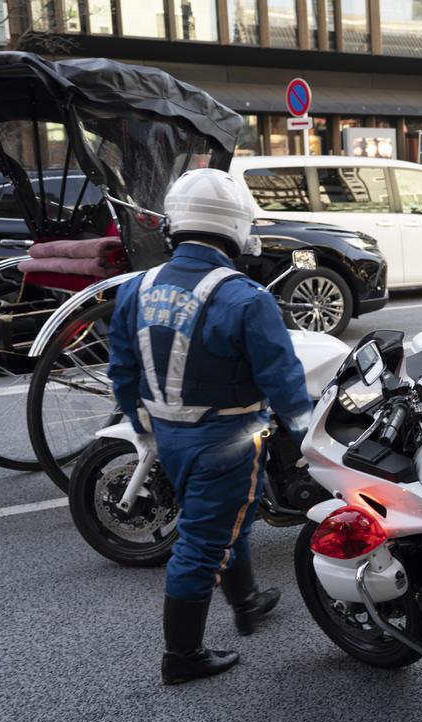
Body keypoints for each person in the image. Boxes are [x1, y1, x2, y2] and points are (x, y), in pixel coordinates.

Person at [107, 169, 314, 686]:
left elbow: (122, 368)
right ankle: (183, 655)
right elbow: (282, 377)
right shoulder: (245, 297)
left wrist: (141, 422)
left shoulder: (138, 287)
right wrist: (308, 435)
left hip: (170, 436)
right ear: (237, 229)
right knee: (202, 540)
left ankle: (246, 600)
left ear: (173, 226)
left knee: (224, 519)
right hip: (229, 437)